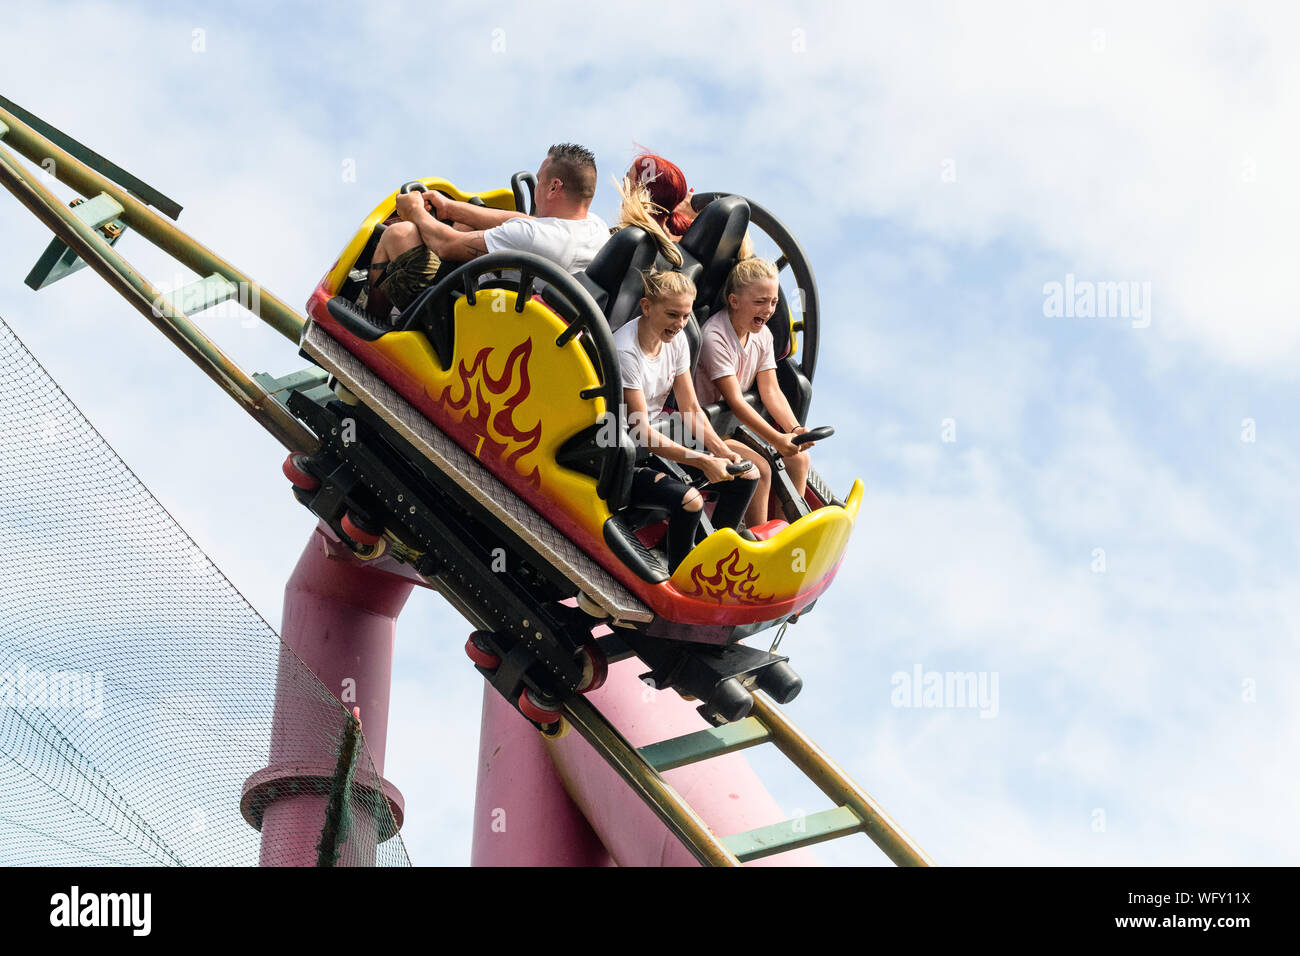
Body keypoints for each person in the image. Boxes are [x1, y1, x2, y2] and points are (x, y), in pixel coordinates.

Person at [365, 143, 609, 322]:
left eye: (540, 180)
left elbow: (446, 245)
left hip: (466, 321)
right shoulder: (595, 228)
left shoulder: (532, 238)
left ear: (554, 187)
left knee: (399, 234)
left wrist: (415, 211)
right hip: (516, 317)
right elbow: (526, 222)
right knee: (467, 226)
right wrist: (450, 208)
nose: (537, 188)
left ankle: (374, 329)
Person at [616, 269, 758, 569]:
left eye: (685, 316)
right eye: (672, 315)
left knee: (746, 475)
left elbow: (690, 407)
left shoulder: (677, 340)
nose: (680, 325)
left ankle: (714, 561)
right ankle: (680, 574)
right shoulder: (626, 352)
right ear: (646, 307)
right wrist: (702, 461)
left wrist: (720, 451)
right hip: (623, 452)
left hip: (659, 441)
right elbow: (641, 432)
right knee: (690, 501)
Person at [694, 256, 815, 527]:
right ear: (734, 301)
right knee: (759, 468)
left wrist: (793, 430)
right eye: (760, 302)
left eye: (773, 302)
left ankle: (786, 533)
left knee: (799, 459)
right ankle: (759, 538)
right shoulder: (715, 336)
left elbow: (770, 390)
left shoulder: (763, 335)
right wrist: (776, 437)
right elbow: (735, 401)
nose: (769, 309)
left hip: (737, 429)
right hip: (706, 431)